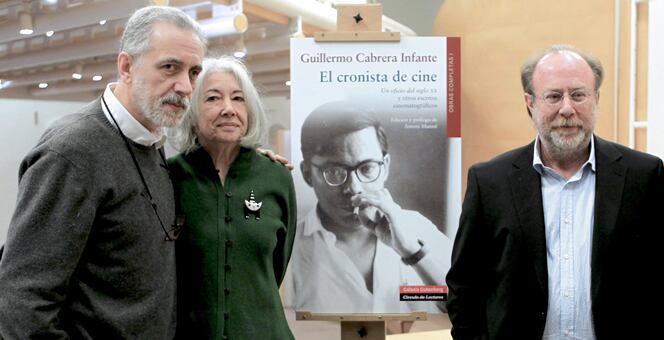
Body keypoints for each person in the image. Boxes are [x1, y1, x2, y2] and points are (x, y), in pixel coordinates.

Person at [0, 6, 207, 339]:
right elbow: (22, 300)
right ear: (126, 66)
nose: (184, 85)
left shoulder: (151, 140)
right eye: (170, 67)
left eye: (194, 72)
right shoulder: (72, 152)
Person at [446, 45, 664, 340]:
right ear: (530, 103)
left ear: (596, 99)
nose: (567, 108)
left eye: (578, 94)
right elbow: (464, 285)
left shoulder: (642, 176)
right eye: (553, 96)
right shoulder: (490, 183)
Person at [168, 56, 296, 339]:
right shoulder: (169, 177)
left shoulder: (276, 177)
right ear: (191, 111)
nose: (228, 109)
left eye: (238, 99)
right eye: (213, 98)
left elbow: (276, 266)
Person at [290, 102, 452, 313]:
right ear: (307, 174)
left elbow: (464, 309)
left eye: (366, 168)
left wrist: (411, 252)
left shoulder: (418, 230)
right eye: (334, 171)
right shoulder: (290, 248)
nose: (353, 188)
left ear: (384, 168)